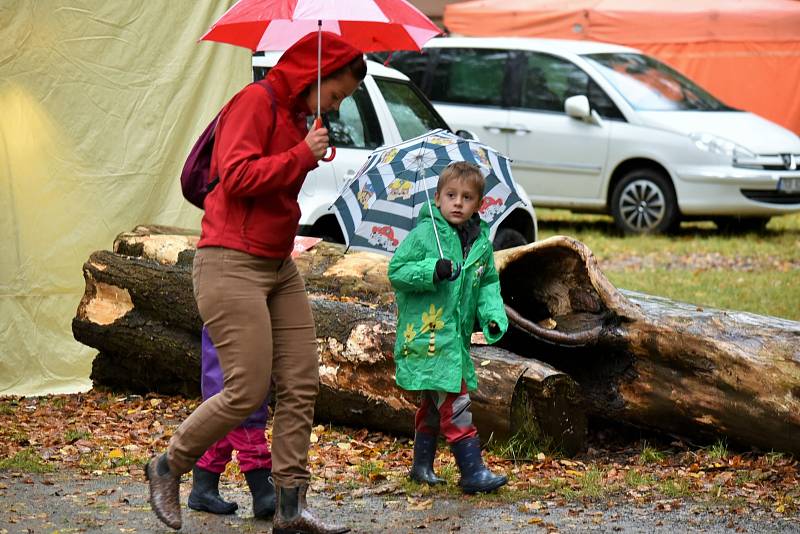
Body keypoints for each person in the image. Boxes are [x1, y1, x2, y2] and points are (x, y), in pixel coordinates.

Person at [145, 32, 366, 533]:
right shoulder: (254, 102)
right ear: (315, 73)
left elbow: (278, 186)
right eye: (335, 95)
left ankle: (290, 509)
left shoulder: (294, 118)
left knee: (302, 382)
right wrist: (302, 156)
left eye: (342, 101)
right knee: (246, 390)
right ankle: (168, 466)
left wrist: (305, 149)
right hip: (229, 262)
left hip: (277, 264)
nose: (335, 105)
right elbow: (238, 176)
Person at [388, 161, 509, 494]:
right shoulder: (426, 235)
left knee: (431, 402)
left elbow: (487, 284)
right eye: (451, 195)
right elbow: (397, 271)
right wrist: (432, 269)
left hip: (455, 339)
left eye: (467, 197)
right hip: (428, 337)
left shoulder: (481, 243)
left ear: (478, 205)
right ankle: (472, 471)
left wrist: (493, 315)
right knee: (456, 401)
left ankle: (421, 466)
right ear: (438, 197)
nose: (458, 203)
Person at [187, 327, 275, 518]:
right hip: (234, 384)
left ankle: (203, 489)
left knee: (220, 434)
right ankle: (264, 493)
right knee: (245, 428)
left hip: (232, 378)